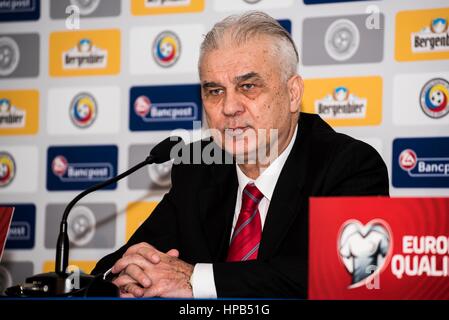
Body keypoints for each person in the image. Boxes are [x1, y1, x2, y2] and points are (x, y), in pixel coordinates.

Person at [91, 11, 389, 298]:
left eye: (248, 86)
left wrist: (196, 280)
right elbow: (122, 264)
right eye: (215, 91)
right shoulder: (197, 167)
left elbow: (350, 273)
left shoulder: (349, 165)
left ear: (293, 93)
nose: (229, 108)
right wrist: (119, 278)